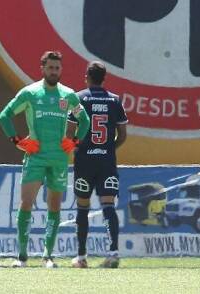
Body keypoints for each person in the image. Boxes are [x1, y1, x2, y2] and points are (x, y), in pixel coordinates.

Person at [0, 51, 89, 268]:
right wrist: (18, 141)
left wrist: (74, 141)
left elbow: (84, 120)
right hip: (35, 157)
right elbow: (4, 116)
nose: (54, 71)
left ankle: (48, 256)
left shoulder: (68, 95)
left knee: (54, 205)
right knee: (26, 203)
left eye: (57, 68)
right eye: (50, 67)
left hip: (59, 158)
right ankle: (21, 256)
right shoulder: (30, 93)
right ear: (42, 68)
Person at [68, 61, 128, 269]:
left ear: (87, 76)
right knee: (108, 205)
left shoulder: (79, 98)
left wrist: (77, 148)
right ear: (104, 78)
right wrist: (108, 149)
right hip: (106, 161)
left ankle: (81, 257)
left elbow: (69, 132)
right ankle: (113, 253)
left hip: (84, 161)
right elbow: (123, 135)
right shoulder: (115, 100)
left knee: (82, 207)